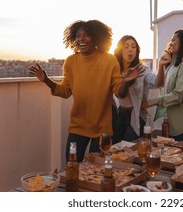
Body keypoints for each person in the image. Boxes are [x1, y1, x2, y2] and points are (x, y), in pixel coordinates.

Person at [29, 20, 143, 162]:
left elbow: (120, 92)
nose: (81, 39)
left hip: (102, 128)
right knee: (72, 166)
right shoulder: (70, 61)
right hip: (78, 126)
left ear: (96, 38)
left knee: (96, 169)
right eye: (77, 36)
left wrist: (126, 82)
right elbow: (65, 91)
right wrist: (46, 81)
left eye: (86, 35)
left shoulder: (109, 60)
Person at [147, 29, 183, 142]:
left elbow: (177, 95)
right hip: (173, 120)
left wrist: (151, 102)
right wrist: (165, 55)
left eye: (174, 40)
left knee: (181, 155)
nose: (171, 43)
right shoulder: (173, 65)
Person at [112, 35, 166, 143]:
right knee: (116, 148)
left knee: (129, 148)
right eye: (126, 47)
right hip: (120, 115)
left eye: (133, 47)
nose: (130, 50)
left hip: (136, 115)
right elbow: (120, 94)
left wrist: (161, 66)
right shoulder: (115, 70)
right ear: (120, 50)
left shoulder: (142, 69)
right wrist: (125, 80)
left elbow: (158, 83)